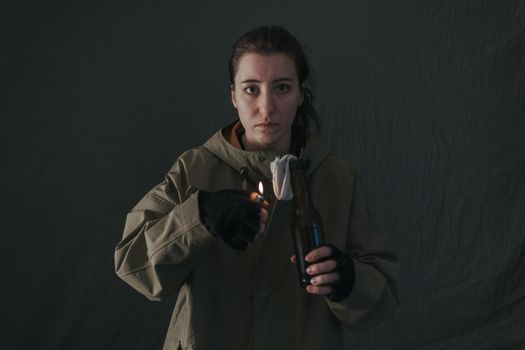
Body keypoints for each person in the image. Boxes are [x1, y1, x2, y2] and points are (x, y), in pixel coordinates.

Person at [114, 26, 400, 350]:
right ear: (233, 94)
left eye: (281, 88)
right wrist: (199, 215)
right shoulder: (194, 169)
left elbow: (385, 292)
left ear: (301, 94)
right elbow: (132, 262)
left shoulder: (338, 179)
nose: (266, 108)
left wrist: (347, 280)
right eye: (252, 89)